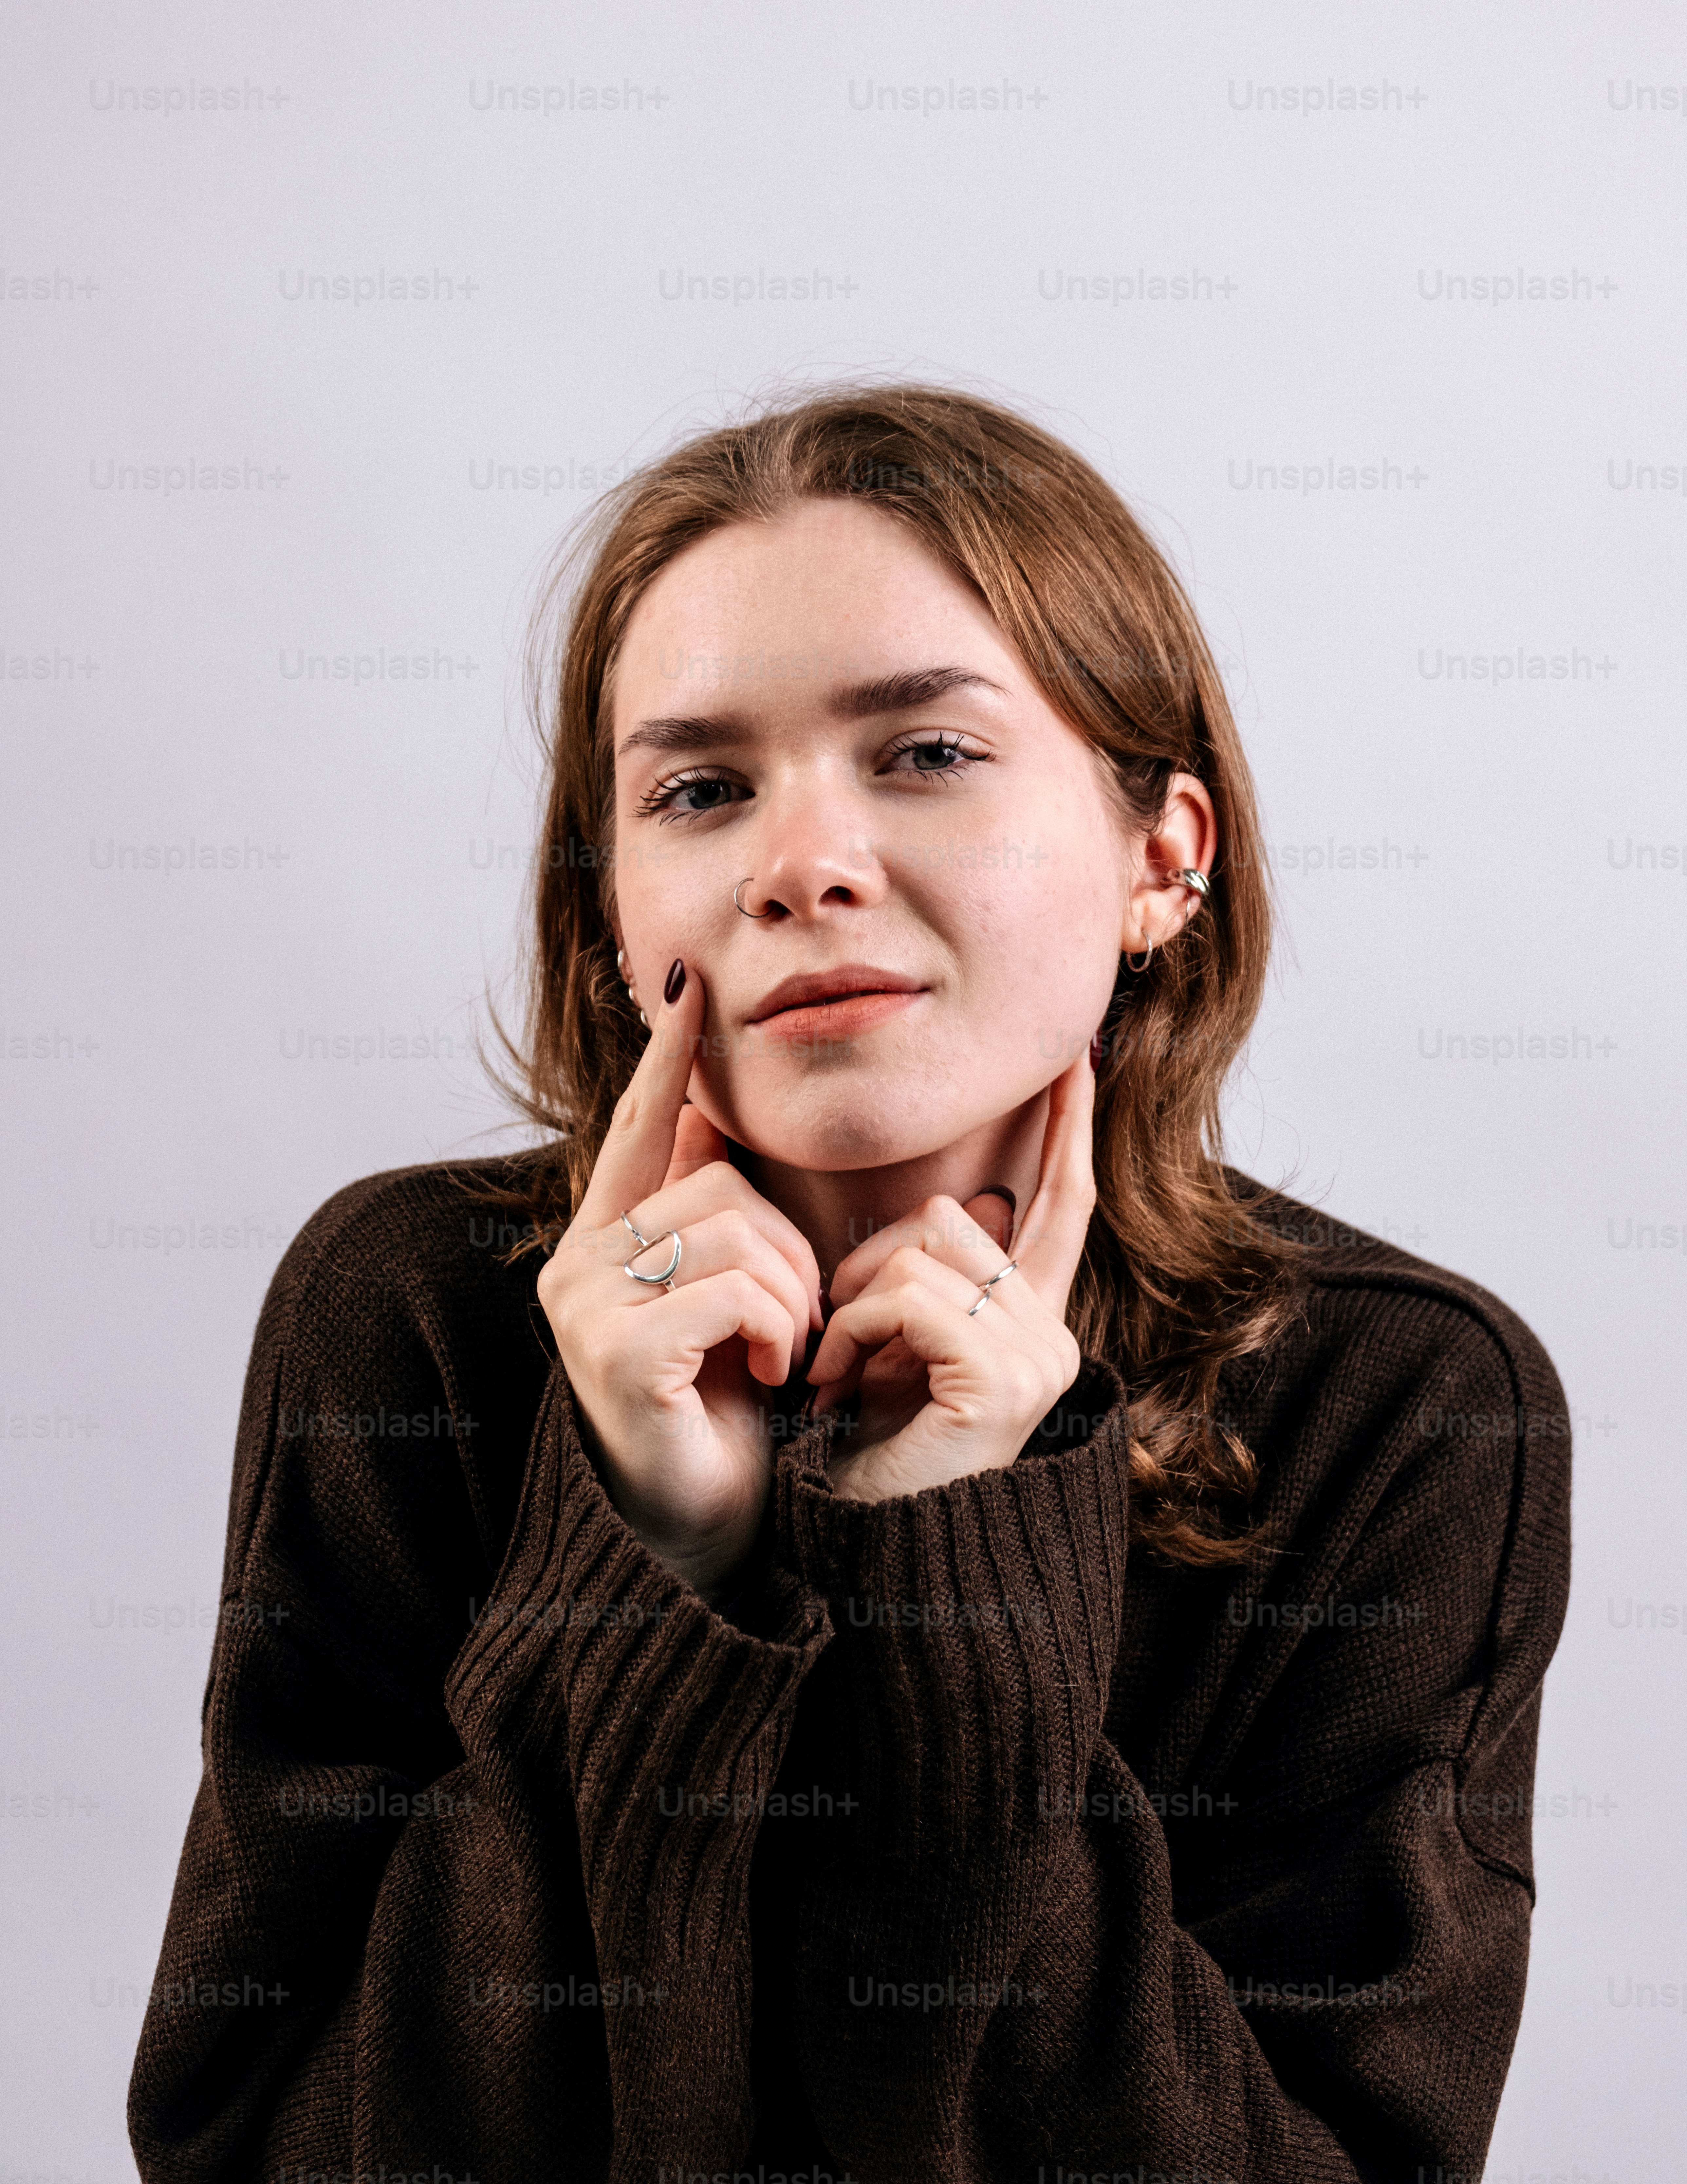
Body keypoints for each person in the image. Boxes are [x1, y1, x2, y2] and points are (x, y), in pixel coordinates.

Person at [129, 385, 1571, 2184]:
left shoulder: (1399, 1398)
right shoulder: (409, 1311)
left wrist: (955, 1568)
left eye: (928, 755)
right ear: (614, 923)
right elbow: (260, 2154)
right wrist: (656, 1557)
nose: (799, 865)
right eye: (700, 790)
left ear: (1164, 857)